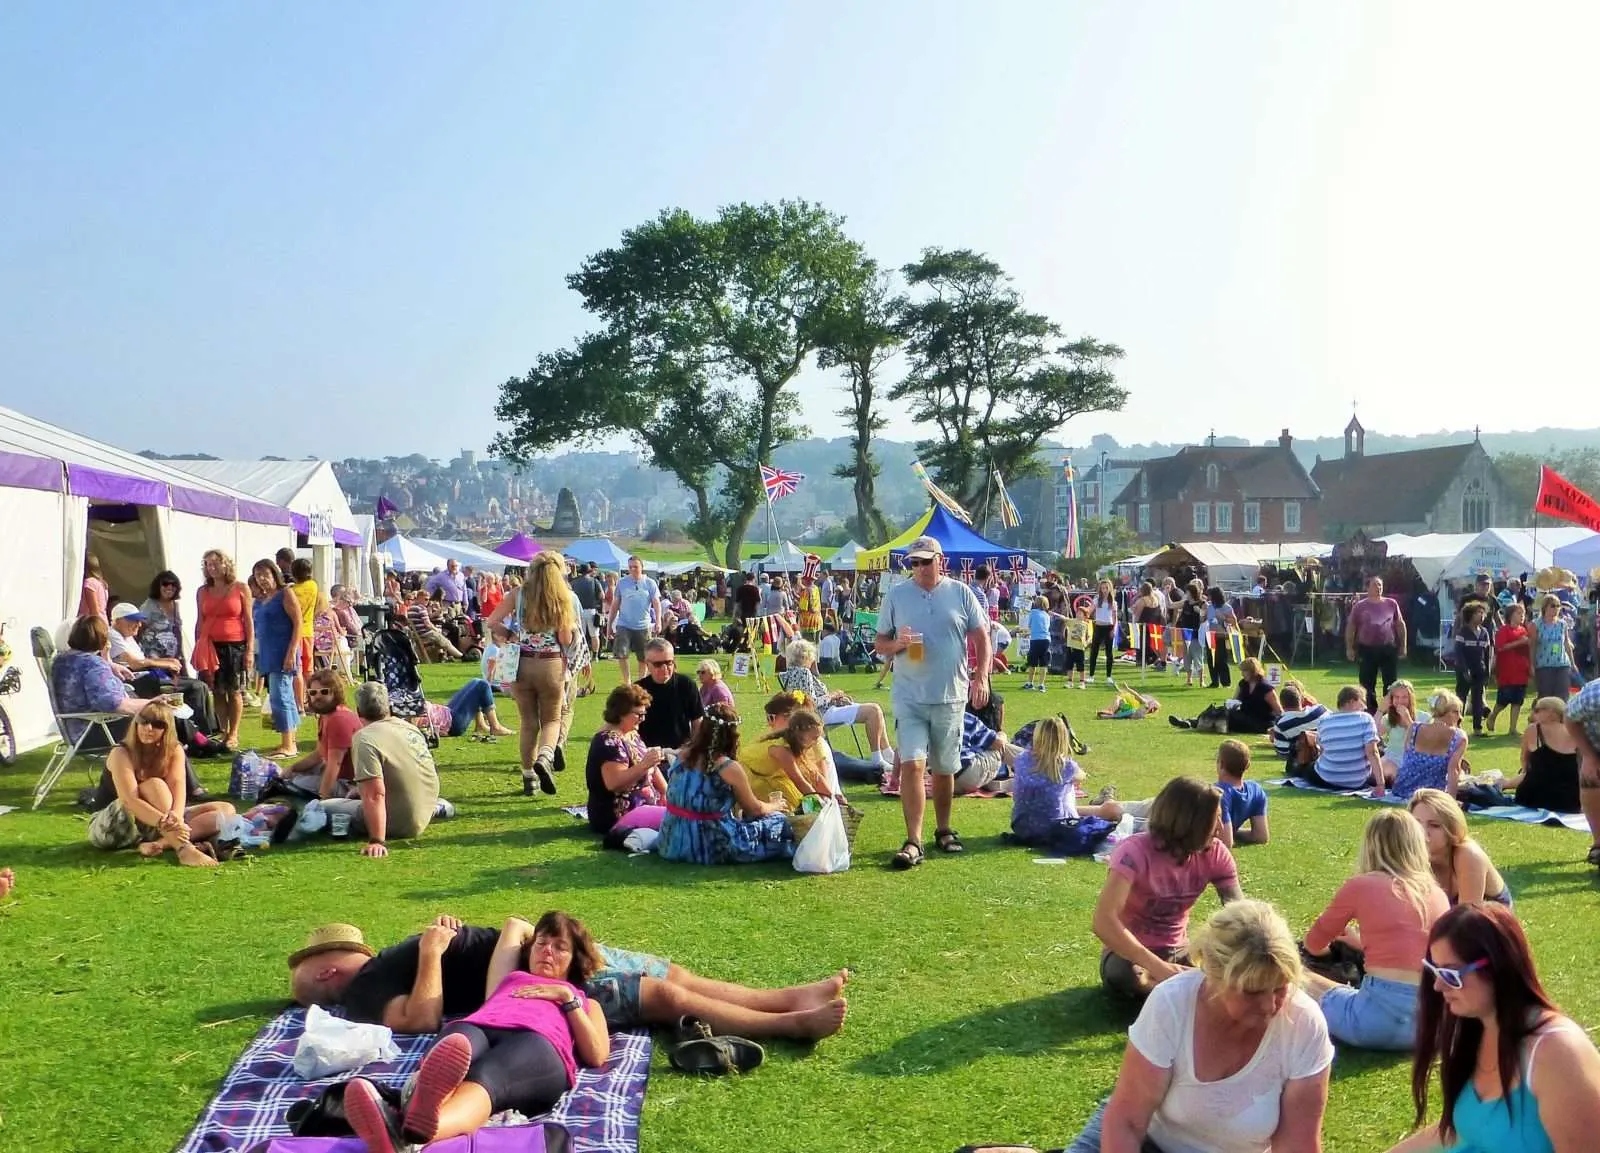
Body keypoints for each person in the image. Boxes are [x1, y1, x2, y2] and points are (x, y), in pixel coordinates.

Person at [287, 917, 849, 1043]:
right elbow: (422, 1020)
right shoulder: (361, 996)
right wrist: (433, 951)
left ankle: (784, 999)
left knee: (666, 971)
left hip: (539, 946)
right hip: (526, 976)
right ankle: (792, 1024)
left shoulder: (378, 969)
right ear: (332, 969)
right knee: (663, 997)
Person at [1053, 902, 1330, 1153]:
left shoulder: (1304, 1024)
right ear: (1213, 978)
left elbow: (1298, 1145)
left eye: (1281, 988)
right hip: (1146, 1141)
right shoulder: (1172, 1004)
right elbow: (1127, 1121)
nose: (1271, 1005)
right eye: (1252, 991)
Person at [342, 912, 609, 1151]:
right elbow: (514, 925)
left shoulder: (582, 1000)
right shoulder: (509, 978)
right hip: (479, 1024)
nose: (547, 951)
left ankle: (407, 1134)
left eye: (560, 947)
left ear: (576, 961)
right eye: (541, 943)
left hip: (537, 1041)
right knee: (455, 1044)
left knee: (486, 1077)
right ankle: (413, 1121)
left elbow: (596, 1054)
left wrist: (566, 998)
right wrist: (535, 937)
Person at [1382, 903, 1600, 1153]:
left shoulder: (1556, 1052)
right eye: (1435, 971)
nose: (1438, 986)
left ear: (1498, 968)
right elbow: (1458, 1130)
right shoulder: (1478, 1029)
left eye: (1452, 975)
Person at [874, 536, 991, 869]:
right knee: (912, 764)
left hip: (950, 695)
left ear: (941, 560)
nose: (920, 567)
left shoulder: (961, 593)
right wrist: (898, 643)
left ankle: (943, 829)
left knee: (944, 768)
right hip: (909, 696)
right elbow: (880, 642)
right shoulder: (897, 595)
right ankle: (913, 840)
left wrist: (980, 676)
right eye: (914, 562)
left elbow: (982, 636)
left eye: (926, 561)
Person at [1300, 809, 1448, 1050]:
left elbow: (1313, 944)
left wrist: (1334, 948)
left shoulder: (1361, 885)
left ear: (1370, 845)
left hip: (1373, 1021)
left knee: (1293, 975)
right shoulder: (1437, 894)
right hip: (1432, 1025)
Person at [1092, 777, 1243, 999]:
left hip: (1181, 952)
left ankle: (1182, 989)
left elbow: (1240, 913)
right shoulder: (1133, 852)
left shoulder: (1215, 853)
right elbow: (1103, 921)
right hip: (1129, 956)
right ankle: (1186, 991)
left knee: (1236, 966)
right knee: (1128, 975)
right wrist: (1158, 967)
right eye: (1215, 819)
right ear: (1190, 822)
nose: (1220, 828)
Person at [86, 700, 235, 867]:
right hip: (110, 827)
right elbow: (129, 800)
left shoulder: (173, 750)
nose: (148, 728)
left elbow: (178, 786)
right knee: (155, 786)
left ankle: (159, 844)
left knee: (226, 810)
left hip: (154, 821)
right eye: (143, 722)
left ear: (167, 729)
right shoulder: (121, 753)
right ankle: (184, 848)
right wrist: (171, 823)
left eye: (157, 724)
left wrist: (177, 817)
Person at [657, 704, 794, 865]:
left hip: (671, 842)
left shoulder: (682, 755)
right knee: (778, 821)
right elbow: (754, 809)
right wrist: (774, 806)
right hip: (709, 845)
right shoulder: (726, 767)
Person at [484, 552, 574, 796]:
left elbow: (491, 621)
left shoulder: (517, 594)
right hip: (550, 664)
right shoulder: (562, 598)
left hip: (521, 663)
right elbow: (565, 638)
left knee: (528, 722)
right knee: (552, 719)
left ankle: (528, 777)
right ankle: (545, 757)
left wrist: (511, 635)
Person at [322, 682, 441, 858]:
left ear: (358, 711)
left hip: (401, 820)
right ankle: (439, 807)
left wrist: (377, 840)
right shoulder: (408, 728)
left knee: (321, 808)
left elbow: (375, 794)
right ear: (388, 706)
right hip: (425, 808)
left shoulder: (365, 738)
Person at [778, 639, 895, 773]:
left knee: (875, 710)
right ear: (806, 656)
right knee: (873, 710)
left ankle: (886, 753)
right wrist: (832, 696)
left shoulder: (789, 674)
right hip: (821, 715)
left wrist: (836, 700)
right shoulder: (803, 673)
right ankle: (878, 758)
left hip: (822, 711)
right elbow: (812, 703)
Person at [1007, 717, 1119, 849]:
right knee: (1068, 789)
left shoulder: (1021, 759)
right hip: (1057, 829)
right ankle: (1103, 804)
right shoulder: (1067, 766)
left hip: (1022, 826)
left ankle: (1100, 806)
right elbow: (1081, 776)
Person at [106, 601, 216, 732]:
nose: (138, 625)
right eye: (133, 620)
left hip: (147, 676)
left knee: (199, 686)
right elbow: (135, 663)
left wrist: (168, 660)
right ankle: (200, 732)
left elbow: (143, 660)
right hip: (137, 681)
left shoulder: (126, 637)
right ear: (118, 621)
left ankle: (206, 731)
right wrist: (164, 663)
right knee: (195, 687)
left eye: (139, 621)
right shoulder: (113, 635)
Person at [50, 615, 154, 749]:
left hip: (74, 730)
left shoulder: (61, 661)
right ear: (102, 638)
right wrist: (154, 704)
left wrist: (107, 662)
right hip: (95, 731)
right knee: (160, 721)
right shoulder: (93, 664)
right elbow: (112, 703)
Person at [584, 684, 668, 837]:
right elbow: (614, 783)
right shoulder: (609, 741)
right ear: (621, 712)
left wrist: (665, 793)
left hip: (642, 807)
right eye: (638, 715)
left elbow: (652, 768)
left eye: (644, 714)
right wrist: (644, 764)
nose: (643, 719)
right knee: (679, 820)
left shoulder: (631, 733)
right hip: (616, 815)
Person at [1408, 789, 1512, 907]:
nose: (1423, 832)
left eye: (1434, 826)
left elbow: (1466, 920)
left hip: (1483, 923)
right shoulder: (1408, 854)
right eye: (1416, 823)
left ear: (1451, 829)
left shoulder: (1468, 855)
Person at [194, 549, 253, 751]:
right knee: (217, 691)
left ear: (226, 564)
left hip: (235, 645)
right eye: (208, 564)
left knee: (234, 690)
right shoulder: (202, 591)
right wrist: (198, 646)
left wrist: (250, 649)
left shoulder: (240, 588)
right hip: (210, 645)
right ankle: (223, 730)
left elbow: (248, 621)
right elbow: (199, 620)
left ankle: (234, 732)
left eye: (216, 563)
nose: (212, 567)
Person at [249, 559, 304, 759]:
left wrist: (291, 652)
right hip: (268, 652)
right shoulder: (261, 600)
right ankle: (290, 740)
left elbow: (298, 623)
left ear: (275, 574)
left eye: (265, 574)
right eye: (258, 576)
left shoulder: (285, 594)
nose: (262, 579)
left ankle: (288, 744)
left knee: (281, 696)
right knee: (280, 695)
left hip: (284, 650)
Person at [742, 707, 838, 810]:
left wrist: (833, 797)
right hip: (751, 778)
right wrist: (821, 806)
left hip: (773, 776)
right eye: (814, 738)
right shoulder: (782, 750)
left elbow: (814, 776)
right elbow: (800, 782)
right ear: (800, 735)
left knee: (802, 804)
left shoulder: (798, 744)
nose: (816, 742)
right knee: (792, 807)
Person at [1297, 685, 1386, 792]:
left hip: (1327, 778)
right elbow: (1372, 752)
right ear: (1353, 701)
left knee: (1305, 768)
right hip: (1357, 781)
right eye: (1363, 701)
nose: (1365, 707)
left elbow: (1323, 750)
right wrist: (1381, 784)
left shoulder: (1324, 721)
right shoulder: (1366, 719)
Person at [1501, 695, 1581, 813]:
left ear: (1551, 712)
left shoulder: (1533, 730)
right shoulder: (1575, 730)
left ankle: (1503, 784)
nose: (1533, 713)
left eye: (1537, 710)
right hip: (1570, 801)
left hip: (1534, 798)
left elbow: (1525, 762)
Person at [1391, 691, 1469, 801]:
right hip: (1431, 794)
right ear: (1446, 712)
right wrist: (1451, 801)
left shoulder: (1414, 728)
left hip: (1402, 789)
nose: (1460, 717)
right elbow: (1454, 770)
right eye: (1456, 712)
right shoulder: (1459, 737)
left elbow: (1406, 760)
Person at [1347, 575, 1408, 713]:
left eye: (1380, 585)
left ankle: (1391, 710)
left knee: (1391, 683)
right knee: (1367, 684)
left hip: (1387, 648)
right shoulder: (1360, 606)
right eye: (1375, 585)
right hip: (1367, 649)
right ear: (1367, 587)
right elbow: (1351, 627)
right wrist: (1349, 648)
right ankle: (1371, 711)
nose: (1378, 588)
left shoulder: (1391, 603)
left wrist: (1403, 645)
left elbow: (1400, 624)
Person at [633, 638, 703, 753]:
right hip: (647, 753)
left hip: (681, 753)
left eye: (669, 662)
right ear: (647, 664)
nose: (664, 668)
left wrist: (693, 748)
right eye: (658, 664)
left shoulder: (686, 685)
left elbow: (697, 721)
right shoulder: (638, 690)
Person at [1565, 674, 1600, 868]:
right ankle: (1598, 844)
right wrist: (1588, 755)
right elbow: (1569, 718)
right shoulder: (1594, 695)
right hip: (1593, 743)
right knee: (1590, 780)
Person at [610, 555, 660, 684]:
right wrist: (610, 623)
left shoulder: (650, 583)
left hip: (643, 624)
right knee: (622, 653)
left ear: (642, 567)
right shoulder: (622, 582)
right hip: (624, 623)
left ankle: (641, 680)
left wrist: (658, 621)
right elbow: (615, 604)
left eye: (635, 567)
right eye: (630, 567)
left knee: (643, 657)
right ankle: (627, 681)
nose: (633, 569)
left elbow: (656, 603)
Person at [1212, 738, 1269, 847]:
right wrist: (1234, 831)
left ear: (1221, 764)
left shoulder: (1219, 793)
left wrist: (1229, 833)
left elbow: (1226, 842)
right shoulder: (1256, 790)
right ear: (1248, 765)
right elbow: (1260, 836)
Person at [1488, 600, 1532, 734]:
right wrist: (1519, 642)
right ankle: (1492, 716)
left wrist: (1530, 666)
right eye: (1519, 613)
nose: (1522, 616)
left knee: (1518, 700)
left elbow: (1527, 650)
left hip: (1521, 671)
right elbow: (1500, 648)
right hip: (1507, 670)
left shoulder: (1524, 630)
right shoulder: (1503, 630)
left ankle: (1512, 728)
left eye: (1523, 613)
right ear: (1511, 615)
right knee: (1504, 699)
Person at [1454, 603, 1492, 734]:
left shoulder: (1485, 633)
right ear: (1470, 615)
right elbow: (1459, 653)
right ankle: (1457, 726)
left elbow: (1487, 654)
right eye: (1478, 613)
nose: (1481, 616)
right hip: (1464, 671)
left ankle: (1477, 728)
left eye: (1483, 613)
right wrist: (1464, 670)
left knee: (1478, 699)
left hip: (1479, 670)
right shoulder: (1463, 632)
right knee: (1461, 699)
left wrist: (1487, 670)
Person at [289, 557, 320, 708]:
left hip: (295, 633)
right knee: (309, 669)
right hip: (309, 632)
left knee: (298, 670)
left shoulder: (292, 591)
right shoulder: (313, 586)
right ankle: (313, 700)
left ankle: (299, 702)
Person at [1531, 594, 1574, 702]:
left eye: (1558, 606)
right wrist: (1531, 665)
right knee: (1546, 697)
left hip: (1562, 664)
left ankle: (1561, 719)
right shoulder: (1536, 624)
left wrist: (1573, 663)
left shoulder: (1562, 624)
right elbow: (1533, 646)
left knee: (1562, 697)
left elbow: (1566, 644)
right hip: (1544, 664)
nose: (1556, 608)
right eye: (1553, 606)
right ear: (1545, 607)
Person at [1270, 684, 1326, 760]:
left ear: (1282, 704)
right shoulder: (1321, 710)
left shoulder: (1281, 724)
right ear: (1301, 700)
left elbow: (1283, 753)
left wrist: (1275, 738)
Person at [1204, 586, 1239, 689]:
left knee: (1221, 659)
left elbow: (1233, 621)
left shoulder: (1227, 607)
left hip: (1222, 636)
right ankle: (1214, 681)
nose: (1208, 597)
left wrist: (1223, 617)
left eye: (1210, 595)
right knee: (1211, 659)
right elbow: (1206, 619)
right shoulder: (1210, 607)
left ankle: (1226, 682)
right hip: (1211, 635)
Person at [1175, 578, 1206, 686]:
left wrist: (1200, 612)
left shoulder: (1202, 603)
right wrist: (1166, 594)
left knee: (1198, 657)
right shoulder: (1186, 603)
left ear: (1192, 593)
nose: (1186, 594)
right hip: (1186, 634)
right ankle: (1189, 679)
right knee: (1187, 658)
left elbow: (1204, 619)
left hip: (1197, 635)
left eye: (1187, 592)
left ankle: (1202, 681)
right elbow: (1171, 605)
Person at [1087, 578, 1117, 686]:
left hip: (1108, 627)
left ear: (1109, 589)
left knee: (1109, 653)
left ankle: (1109, 676)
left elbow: (1115, 617)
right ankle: (1091, 675)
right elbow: (1089, 610)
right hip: (1098, 626)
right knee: (1094, 651)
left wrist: (1113, 629)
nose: (1104, 590)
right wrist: (1085, 611)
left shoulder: (1113, 602)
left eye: (1106, 588)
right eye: (1102, 588)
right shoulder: (1097, 600)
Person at [1022, 596, 1053, 692]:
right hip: (1046, 640)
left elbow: (1029, 625)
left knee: (1032, 662)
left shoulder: (1033, 613)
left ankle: (1030, 683)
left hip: (1035, 640)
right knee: (1044, 663)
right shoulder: (1047, 616)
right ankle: (1041, 684)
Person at [78, 553, 109, 622]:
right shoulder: (101, 583)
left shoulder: (89, 583)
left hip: (93, 624)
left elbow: (94, 611)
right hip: (103, 620)